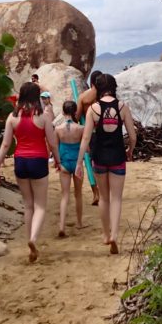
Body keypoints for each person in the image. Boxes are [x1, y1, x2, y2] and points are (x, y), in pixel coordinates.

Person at [0, 81, 61, 262]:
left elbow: (6, 144)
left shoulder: (12, 117)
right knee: (40, 206)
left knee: (28, 205)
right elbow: (52, 142)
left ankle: (30, 243)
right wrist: (58, 161)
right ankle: (33, 239)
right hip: (38, 161)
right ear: (37, 96)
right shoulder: (43, 117)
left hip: (20, 161)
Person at [75, 72, 137, 254]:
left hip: (99, 158)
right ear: (114, 87)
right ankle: (115, 235)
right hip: (118, 157)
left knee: (104, 198)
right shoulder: (122, 107)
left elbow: (86, 138)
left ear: (98, 89)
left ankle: (105, 234)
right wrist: (130, 150)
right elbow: (132, 136)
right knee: (116, 198)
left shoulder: (93, 109)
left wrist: (79, 163)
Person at [55, 100, 85, 237]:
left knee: (64, 195)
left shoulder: (58, 129)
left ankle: (61, 226)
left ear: (63, 112)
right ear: (74, 112)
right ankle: (79, 223)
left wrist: (57, 162)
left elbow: (54, 147)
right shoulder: (81, 128)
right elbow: (87, 148)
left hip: (64, 163)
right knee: (78, 194)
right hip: (77, 163)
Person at [75, 70, 103, 206]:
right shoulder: (105, 96)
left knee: (91, 163)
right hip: (104, 132)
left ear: (91, 82)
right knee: (104, 161)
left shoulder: (83, 97)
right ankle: (104, 192)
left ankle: (96, 193)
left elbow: (76, 116)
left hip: (90, 132)